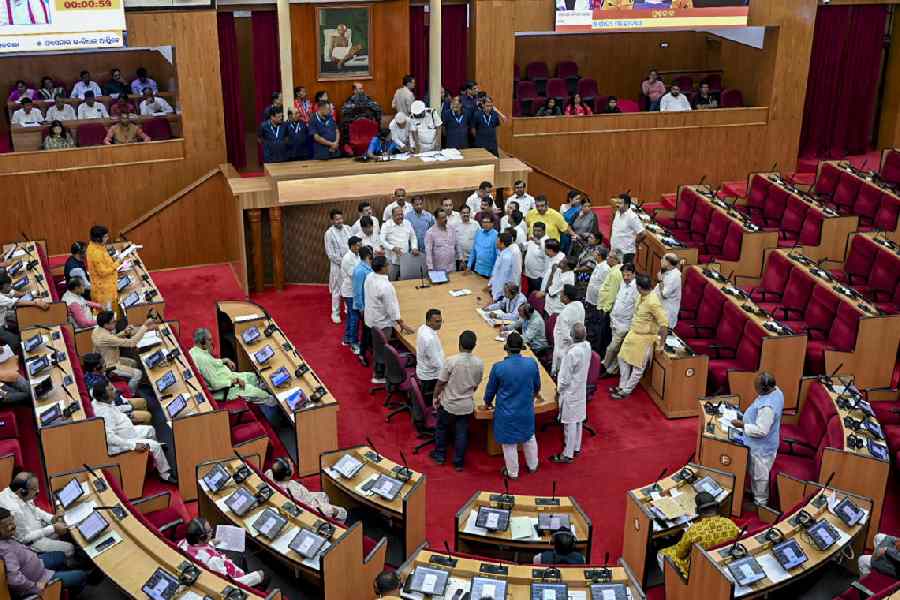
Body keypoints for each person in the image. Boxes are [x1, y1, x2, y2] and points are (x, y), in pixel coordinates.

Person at [484, 332, 543, 480]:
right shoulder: (531, 363)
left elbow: (490, 390)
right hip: (526, 409)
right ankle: (533, 465)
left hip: (507, 413)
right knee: (529, 437)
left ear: (506, 348)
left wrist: (487, 403)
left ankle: (513, 472)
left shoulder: (499, 367)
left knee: (509, 443)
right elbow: (537, 386)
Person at [91, 382, 175, 483]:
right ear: (105, 396)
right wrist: (133, 446)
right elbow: (109, 438)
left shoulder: (101, 400)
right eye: (111, 390)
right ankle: (164, 474)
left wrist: (127, 411)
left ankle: (152, 458)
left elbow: (114, 410)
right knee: (155, 446)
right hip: (123, 441)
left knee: (150, 430)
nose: (115, 390)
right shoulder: (104, 413)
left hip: (127, 431)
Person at [190, 328, 279, 420]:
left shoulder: (194, 350)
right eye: (209, 339)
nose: (212, 342)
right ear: (203, 342)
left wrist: (225, 360)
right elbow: (215, 384)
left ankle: (263, 388)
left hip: (226, 376)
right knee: (260, 394)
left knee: (251, 376)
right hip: (226, 389)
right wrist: (235, 381)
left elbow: (212, 362)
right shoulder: (203, 360)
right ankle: (275, 409)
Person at [0, 506, 86, 598]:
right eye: (5, 526)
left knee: (61, 555)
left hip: (36, 563)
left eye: (11, 521)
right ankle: (63, 593)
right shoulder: (5, 550)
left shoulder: (6, 537)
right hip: (39, 579)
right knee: (81, 575)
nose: (11, 527)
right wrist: (34, 586)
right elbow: (14, 579)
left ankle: (62, 579)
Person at [431, 331, 483, 471]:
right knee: (462, 433)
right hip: (466, 406)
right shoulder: (479, 363)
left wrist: (435, 397)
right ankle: (458, 463)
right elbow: (476, 385)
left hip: (448, 404)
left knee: (442, 428)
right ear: (474, 346)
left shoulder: (451, 361)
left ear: (459, 344)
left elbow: (441, 383)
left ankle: (440, 455)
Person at [611, 274, 668, 400]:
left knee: (638, 367)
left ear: (639, 287)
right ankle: (622, 385)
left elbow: (664, 324)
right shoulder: (642, 295)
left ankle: (626, 391)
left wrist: (662, 344)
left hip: (644, 338)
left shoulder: (653, 302)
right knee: (622, 358)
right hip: (633, 333)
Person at [658, 492, 740, 578]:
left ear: (697, 511)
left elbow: (680, 554)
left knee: (661, 553)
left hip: (698, 567)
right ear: (716, 507)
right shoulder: (729, 523)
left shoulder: (694, 530)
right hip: (721, 561)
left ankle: (676, 583)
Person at [732, 373, 784, 506]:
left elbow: (762, 430)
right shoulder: (776, 391)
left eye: (756, 387)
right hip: (761, 443)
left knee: (760, 477)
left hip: (761, 447)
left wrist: (742, 424)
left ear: (763, 389)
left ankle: (760, 504)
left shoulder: (767, 408)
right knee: (755, 473)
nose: (754, 389)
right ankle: (754, 494)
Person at [364, 256, 414, 383]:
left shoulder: (370, 277)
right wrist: (402, 323)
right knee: (382, 349)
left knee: (378, 347)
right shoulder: (386, 286)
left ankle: (379, 372)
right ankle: (379, 375)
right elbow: (392, 308)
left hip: (371, 318)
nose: (389, 266)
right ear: (382, 268)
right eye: (387, 264)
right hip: (382, 323)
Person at [0, 473, 73, 557]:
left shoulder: (15, 493)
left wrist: (52, 518)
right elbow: (24, 539)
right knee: (70, 548)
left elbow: (35, 510)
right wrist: (53, 528)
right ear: (22, 491)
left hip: (37, 529)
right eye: (35, 489)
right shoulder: (14, 510)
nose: (38, 491)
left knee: (66, 527)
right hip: (31, 542)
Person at [178, 518, 266, 587]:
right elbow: (229, 584)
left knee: (239, 557)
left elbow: (201, 550)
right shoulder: (213, 561)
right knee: (265, 576)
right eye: (209, 531)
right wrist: (257, 576)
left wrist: (211, 543)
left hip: (219, 565)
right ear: (201, 537)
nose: (212, 531)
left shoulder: (183, 543)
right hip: (234, 580)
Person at [550, 323, 590, 464]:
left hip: (570, 391)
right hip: (580, 388)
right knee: (578, 420)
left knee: (569, 423)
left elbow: (565, 378)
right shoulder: (587, 347)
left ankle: (567, 454)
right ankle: (576, 447)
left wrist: (559, 390)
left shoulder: (572, 353)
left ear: (572, 336)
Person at [91, 311, 156, 394]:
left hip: (109, 358)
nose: (115, 323)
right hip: (110, 366)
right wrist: (145, 326)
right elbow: (131, 343)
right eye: (113, 322)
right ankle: (130, 394)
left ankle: (133, 384)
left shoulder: (97, 330)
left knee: (133, 363)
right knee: (138, 374)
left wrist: (124, 332)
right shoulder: (105, 337)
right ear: (105, 325)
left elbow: (112, 339)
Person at [266, 457, 348, 522]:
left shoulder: (269, 473)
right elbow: (305, 510)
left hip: (306, 496)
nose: (292, 463)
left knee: (323, 495)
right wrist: (332, 510)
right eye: (291, 465)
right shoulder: (292, 492)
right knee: (342, 512)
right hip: (310, 506)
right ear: (287, 475)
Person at [82, 352, 151, 424]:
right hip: (115, 408)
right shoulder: (97, 386)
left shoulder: (92, 374)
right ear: (96, 368)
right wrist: (126, 407)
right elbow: (111, 403)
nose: (105, 365)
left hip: (117, 401)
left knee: (143, 402)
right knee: (147, 416)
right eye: (103, 363)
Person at [600, 263, 637, 376]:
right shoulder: (622, 283)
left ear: (634, 274)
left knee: (612, 347)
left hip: (625, 324)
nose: (625, 277)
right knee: (616, 348)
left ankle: (604, 366)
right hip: (615, 320)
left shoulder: (636, 288)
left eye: (628, 275)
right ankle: (611, 370)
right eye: (624, 275)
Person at [0, 273, 50, 350]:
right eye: (8, 286)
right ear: (1, 287)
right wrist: (36, 303)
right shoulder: (0, 298)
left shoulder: (4, 290)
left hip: (4, 315)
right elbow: (16, 303)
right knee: (16, 342)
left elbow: (12, 293)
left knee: (24, 319)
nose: (10, 287)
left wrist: (28, 294)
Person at [325, 208, 351, 323]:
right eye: (337, 219)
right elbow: (330, 254)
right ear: (332, 221)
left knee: (348, 288)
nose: (340, 221)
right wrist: (343, 262)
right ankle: (335, 313)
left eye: (341, 218)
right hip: (337, 266)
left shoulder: (348, 229)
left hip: (349, 265)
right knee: (337, 290)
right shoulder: (329, 233)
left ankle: (348, 308)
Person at [552, 284, 585, 374]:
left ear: (566, 298)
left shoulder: (565, 313)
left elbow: (565, 335)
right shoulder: (580, 305)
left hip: (564, 349)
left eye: (561, 293)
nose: (559, 295)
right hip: (576, 346)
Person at [85, 225, 119, 312]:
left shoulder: (97, 246)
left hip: (108, 286)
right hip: (104, 291)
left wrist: (113, 260)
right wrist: (117, 263)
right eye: (105, 236)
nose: (107, 238)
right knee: (108, 315)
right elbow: (102, 272)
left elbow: (104, 261)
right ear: (98, 238)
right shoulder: (95, 252)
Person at [380, 205, 419, 281]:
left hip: (406, 259)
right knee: (391, 281)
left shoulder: (407, 223)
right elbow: (381, 240)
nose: (400, 216)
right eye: (398, 215)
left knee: (406, 281)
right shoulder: (386, 225)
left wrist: (414, 247)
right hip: (392, 261)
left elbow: (413, 237)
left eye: (401, 214)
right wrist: (393, 248)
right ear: (392, 216)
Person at [416, 309, 444, 410]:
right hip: (431, 377)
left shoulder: (422, 328)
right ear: (428, 321)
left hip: (423, 369)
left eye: (441, 321)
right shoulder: (430, 339)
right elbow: (436, 363)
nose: (440, 324)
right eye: (437, 321)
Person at [339, 236, 363, 353]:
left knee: (350, 316)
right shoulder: (347, 258)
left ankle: (347, 338)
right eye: (358, 245)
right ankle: (354, 343)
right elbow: (354, 275)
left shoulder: (357, 255)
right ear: (352, 246)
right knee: (355, 317)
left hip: (354, 290)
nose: (360, 247)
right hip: (350, 292)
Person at [351, 246, 374, 367]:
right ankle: (362, 354)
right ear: (367, 255)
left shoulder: (369, 267)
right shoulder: (359, 270)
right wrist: (361, 308)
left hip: (372, 305)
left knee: (370, 332)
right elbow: (357, 291)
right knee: (366, 332)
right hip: (365, 307)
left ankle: (370, 349)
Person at [609, 195, 645, 264]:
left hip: (625, 253)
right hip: (614, 251)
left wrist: (636, 242)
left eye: (620, 203)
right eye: (617, 202)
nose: (617, 205)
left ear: (626, 204)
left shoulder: (632, 217)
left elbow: (643, 233)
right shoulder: (617, 212)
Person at [425, 208, 457, 273]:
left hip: (452, 267)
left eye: (445, 217)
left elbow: (457, 245)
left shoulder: (451, 229)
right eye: (442, 218)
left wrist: (461, 258)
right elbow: (428, 252)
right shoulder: (430, 232)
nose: (445, 219)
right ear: (436, 219)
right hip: (439, 269)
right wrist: (430, 267)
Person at [656, 253, 682, 329]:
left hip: (667, 312)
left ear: (668, 262)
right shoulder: (665, 271)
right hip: (659, 308)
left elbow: (664, 294)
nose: (661, 261)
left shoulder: (675, 277)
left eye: (663, 259)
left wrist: (660, 280)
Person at [524, 222, 549, 293]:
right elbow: (525, 246)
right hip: (528, 273)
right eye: (534, 230)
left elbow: (548, 258)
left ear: (544, 231)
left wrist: (540, 243)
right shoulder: (533, 238)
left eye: (538, 231)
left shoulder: (547, 242)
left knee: (536, 297)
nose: (535, 233)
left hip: (538, 276)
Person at [453, 206, 479, 270]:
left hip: (473, 258)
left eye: (467, 213)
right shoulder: (455, 225)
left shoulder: (475, 224)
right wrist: (461, 259)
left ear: (470, 213)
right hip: (460, 259)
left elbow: (480, 239)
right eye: (463, 213)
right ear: (460, 214)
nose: (466, 214)